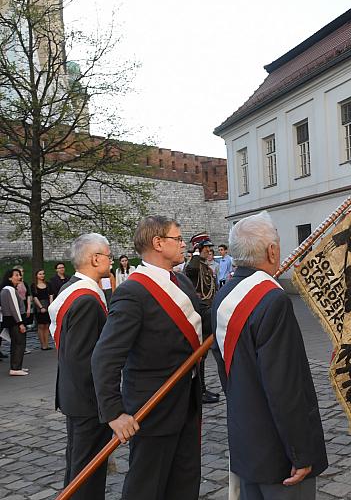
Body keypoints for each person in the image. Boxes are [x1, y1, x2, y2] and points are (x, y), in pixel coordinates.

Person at [212, 212, 328, 499]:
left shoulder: (223, 295)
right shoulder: (272, 300)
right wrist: (301, 452)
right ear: (272, 251)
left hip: (246, 439)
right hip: (279, 455)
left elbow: (226, 370)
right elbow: (285, 387)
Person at [92, 215, 204, 500]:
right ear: (158, 243)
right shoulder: (133, 293)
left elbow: (205, 320)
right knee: (147, 487)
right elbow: (105, 357)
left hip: (187, 400)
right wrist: (114, 413)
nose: (183, 244)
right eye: (177, 239)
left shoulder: (181, 281)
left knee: (185, 481)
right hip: (152, 408)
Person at [49, 233, 113, 499]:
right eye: (108, 255)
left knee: (78, 465)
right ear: (95, 258)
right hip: (87, 401)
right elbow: (83, 360)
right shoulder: (86, 299)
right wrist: (106, 403)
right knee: (87, 472)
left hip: (74, 396)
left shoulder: (72, 288)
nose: (110, 260)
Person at [185, 233, 220, 404]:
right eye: (206, 248)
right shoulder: (194, 266)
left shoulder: (205, 267)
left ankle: (202, 389)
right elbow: (190, 270)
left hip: (208, 311)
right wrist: (196, 252)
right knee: (200, 354)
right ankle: (199, 391)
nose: (209, 250)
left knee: (203, 354)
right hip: (200, 313)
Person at [1, 268, 28, 375]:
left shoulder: (5, 289)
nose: (19, 277)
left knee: (16, 344)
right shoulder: (10, 290)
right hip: (15, 321)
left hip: (11, 320)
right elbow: (14, 308)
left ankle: (16, 366)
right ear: (9, 277)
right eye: (16, 275)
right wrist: (20, 323)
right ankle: (16, 368)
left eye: (19, 275)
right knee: (19, 344)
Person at [31, 269, 54, 350]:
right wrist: (41, 307)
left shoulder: (48, 284)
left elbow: (51, 295)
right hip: (39, 306)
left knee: (47, 325)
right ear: (36, 275)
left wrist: (50, 306)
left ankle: (47, 344)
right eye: (40, 274)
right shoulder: (34, 285)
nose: (42, 275)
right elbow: (35, 297)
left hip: (48, 304)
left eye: (43, 274)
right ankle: (43, 345)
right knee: (41, 325)